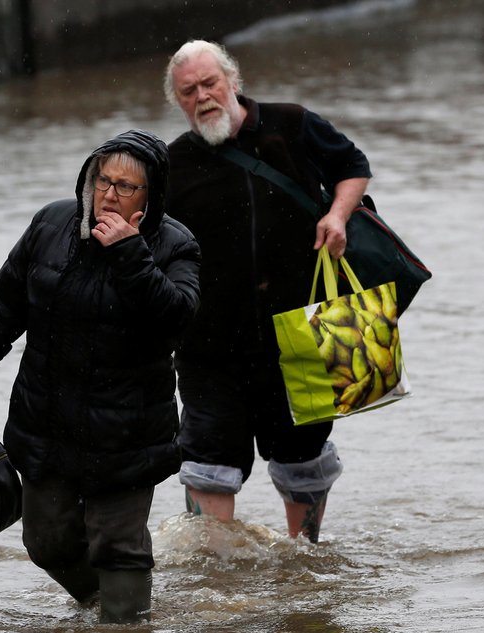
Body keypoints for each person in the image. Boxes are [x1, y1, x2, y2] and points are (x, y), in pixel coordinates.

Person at [0, 129, 200, 623]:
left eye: (126, 187)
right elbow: (6, 304)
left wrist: (130, 254)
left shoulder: (175, 246)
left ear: (151, 197)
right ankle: (103, 612)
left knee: (117, 544)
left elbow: (177, 319)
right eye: (103, 179)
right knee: (45, 540)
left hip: (128, 429)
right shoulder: (52, 224)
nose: (109, 193)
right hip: (48, 417)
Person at [162, 40, 372, 543]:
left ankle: (307, 566)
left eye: (210, 83)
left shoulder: (292, 124)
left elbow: (353, 166)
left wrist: (337, 215)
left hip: (302, 331)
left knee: (305, 462)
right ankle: (215, 589)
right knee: (207, 461)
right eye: (189, 91)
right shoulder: (171, 164)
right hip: (207, 344)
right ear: (179, 101)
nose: (203, 96)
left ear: (232, 80)